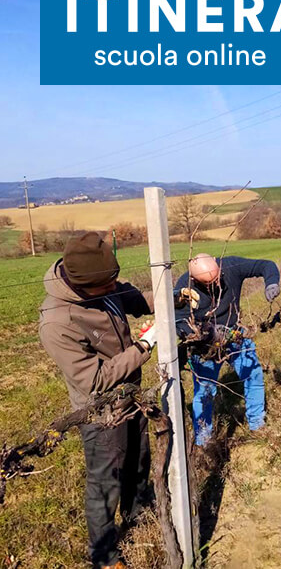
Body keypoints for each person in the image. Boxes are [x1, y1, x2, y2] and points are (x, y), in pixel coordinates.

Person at [38, 232, 158, 569]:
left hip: (131, 394)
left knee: (138, 460)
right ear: (80, 285)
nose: (113, 288)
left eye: (113, 281)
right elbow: (93, 381)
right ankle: (104, 556)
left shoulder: (103, 281)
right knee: (105, 482)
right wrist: (144, 348)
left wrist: (169, 301)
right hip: (101, 412)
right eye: (106, 286)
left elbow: (134, 299)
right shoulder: (58, 321)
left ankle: (140, 515)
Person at [175, 253, 280, 446]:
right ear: (195, 280)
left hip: (234, 334)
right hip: (204, 345)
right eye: (207, 284)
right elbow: (179, 324)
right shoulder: (184, 288)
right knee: (204, 392)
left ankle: (257, 423)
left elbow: (265, 264)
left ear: (218, 267)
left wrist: (271, 282)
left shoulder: (231, 265)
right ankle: (204, 440)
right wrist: (208, 333)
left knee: (253, 374)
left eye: (216, 280)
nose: (214, 286)